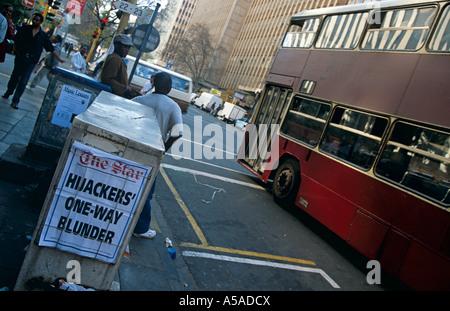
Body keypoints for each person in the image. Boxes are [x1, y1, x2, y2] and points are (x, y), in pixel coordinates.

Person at [131, 72, 184, 238]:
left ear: (153, 85)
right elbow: (177, 133)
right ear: (169, 88)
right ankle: (141, 228)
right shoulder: (172, 106)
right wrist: (163, 149)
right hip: (152, 151)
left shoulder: (139, 100)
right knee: (146, 191)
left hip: (132, 147)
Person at [2, 13, 65, 109]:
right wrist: (16, 50)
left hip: (31, 61)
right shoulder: (25, 28)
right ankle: (9, 91)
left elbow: (51, 48)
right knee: (15, 77)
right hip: (21, 57)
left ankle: (16, 100)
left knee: (24, 80)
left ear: (41, 22)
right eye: (34, 19)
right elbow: (16, 40)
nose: (34, 21)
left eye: (37, 20)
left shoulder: (43, 35)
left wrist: (59, 59)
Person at [99, 34, 140, 99]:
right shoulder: (115, 59)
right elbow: (107, 79)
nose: (127, 50)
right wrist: (126, 89)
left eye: (128, 47)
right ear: (116, 45)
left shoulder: (118, 59)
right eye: (125, 47)